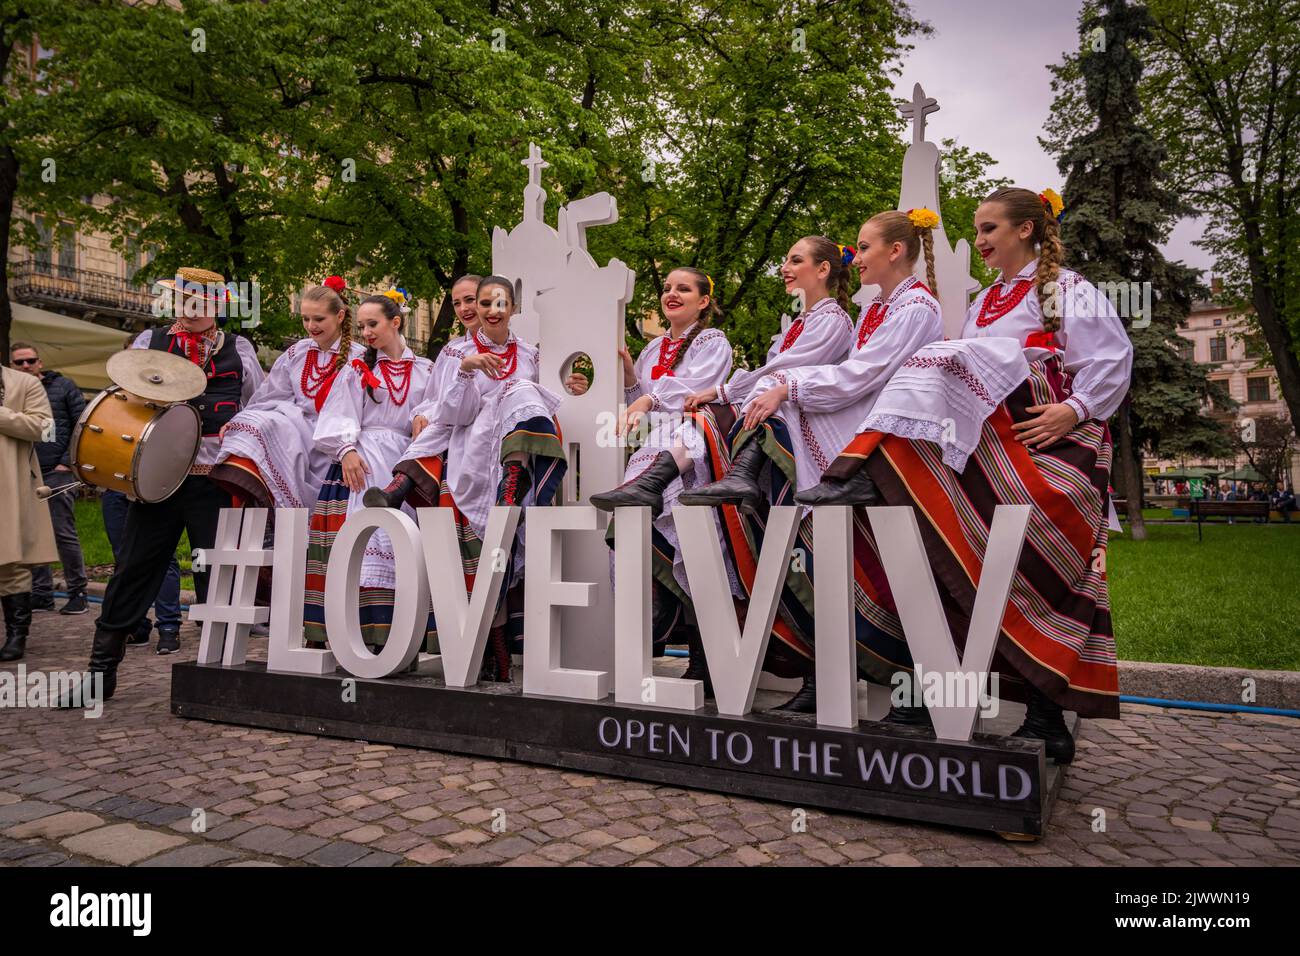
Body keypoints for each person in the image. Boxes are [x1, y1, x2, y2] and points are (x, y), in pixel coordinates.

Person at [796, 187, 1132, 762]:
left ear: (1025, 230)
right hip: (994, 444)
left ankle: (1048, 717)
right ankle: (929, 690)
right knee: (955, 553)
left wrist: (1071, 410)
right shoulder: (986, 304)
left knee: (1038, 565)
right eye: (976, 231)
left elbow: (1112, 358)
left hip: (1054, 443)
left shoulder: (1065, 289)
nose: (977, 242)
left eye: (987, 229)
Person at [681, 213, 946, 711]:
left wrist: (786, 388)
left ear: (894, 251)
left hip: (888, 437)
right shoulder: (877, 310)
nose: (857, 256)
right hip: (855, 424)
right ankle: (824, 679)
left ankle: (906, 695)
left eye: (864, 247)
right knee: (812, 559)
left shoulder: (909, 308)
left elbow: (863, 374)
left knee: (881, 572)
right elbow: (846, 373)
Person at [61, 266, 265, 704]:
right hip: (156, 480)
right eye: (183, 302)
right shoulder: (149, 342)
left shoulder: (240, 349)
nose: (189, 311)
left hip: (213, 481)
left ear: (217, 306)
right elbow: (122, 404)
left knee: (218, 576)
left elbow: (259, 406)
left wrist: (242, 438)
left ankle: (220, 677)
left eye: (199, 303)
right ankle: (99, 675)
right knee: (133, 570)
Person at [363, 276, 568, 680]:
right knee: (472, 563)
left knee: (501, 558)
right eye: (459, 303)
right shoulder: (455, 351)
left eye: (488, 301)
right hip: (466, 463)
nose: (475, 309)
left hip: (508, 465)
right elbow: (450, 413)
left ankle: (502, 657)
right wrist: (466, 372)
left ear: (511, 307)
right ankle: (487, 655)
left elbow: (543, 404)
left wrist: (571, 386)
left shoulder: (529, 354)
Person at [588, 267, 734, 683]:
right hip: (650, 451)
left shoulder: (712, 341)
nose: (672, 294)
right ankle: (650, 647)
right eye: (667, 288)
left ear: (703, 301)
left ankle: (706, 663)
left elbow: (693, 391)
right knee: (647, 546)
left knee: (692, 549)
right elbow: (641, 405)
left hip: (689, 449)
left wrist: (648, 397)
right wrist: (633, 380)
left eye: (683, 289)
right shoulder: (653, 349)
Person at [304, 290, 438, 651]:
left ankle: (402, 638)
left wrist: (425, 417)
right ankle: (356, 635)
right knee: (359, 539)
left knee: (409, 542)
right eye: (361, 325)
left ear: (396, 322)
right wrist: (346, 450)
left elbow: (436, 408)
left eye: (372, 324)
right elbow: (337, 414)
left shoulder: (426, 370)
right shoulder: (358, 369)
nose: (365, 332)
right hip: (361, 461)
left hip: (408, 461)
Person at [210, 276, 364, 510]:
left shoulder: (359, 357)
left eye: (319, 319)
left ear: (340, 316)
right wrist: (239, 422)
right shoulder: (297, 353)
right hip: (299, 436)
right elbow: (270, 396)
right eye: (305, 319)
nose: (311, 326)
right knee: (268, 421)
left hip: (341, 440)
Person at [10, 342, 89, 615]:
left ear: (39, 362)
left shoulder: (63, 386)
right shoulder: (12, 391)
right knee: (32, 535)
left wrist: (67, 463)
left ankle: (78, 591)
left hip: (57, 471)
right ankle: (42, 592)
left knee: (62, 532)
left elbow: (83, 424)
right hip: (25, 471)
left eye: (30, 360)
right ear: (12, 366)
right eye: (19, 362)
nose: (25, 366)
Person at [0, 361, 57, 662]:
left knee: (11, 562)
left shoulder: (23, 383)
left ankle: (16, 635)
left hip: (9, 483)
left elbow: (46, 429)